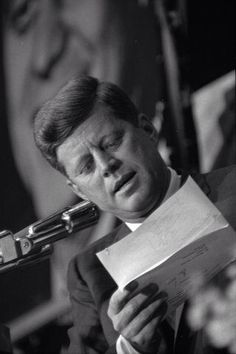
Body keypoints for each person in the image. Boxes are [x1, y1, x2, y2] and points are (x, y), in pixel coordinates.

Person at [34, 76, 236, 354]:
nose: (106, 166)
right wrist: (131, 348)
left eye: (111, 142)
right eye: (86, 166)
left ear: (147, 129)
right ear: (78, 191)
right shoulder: (89, 274)